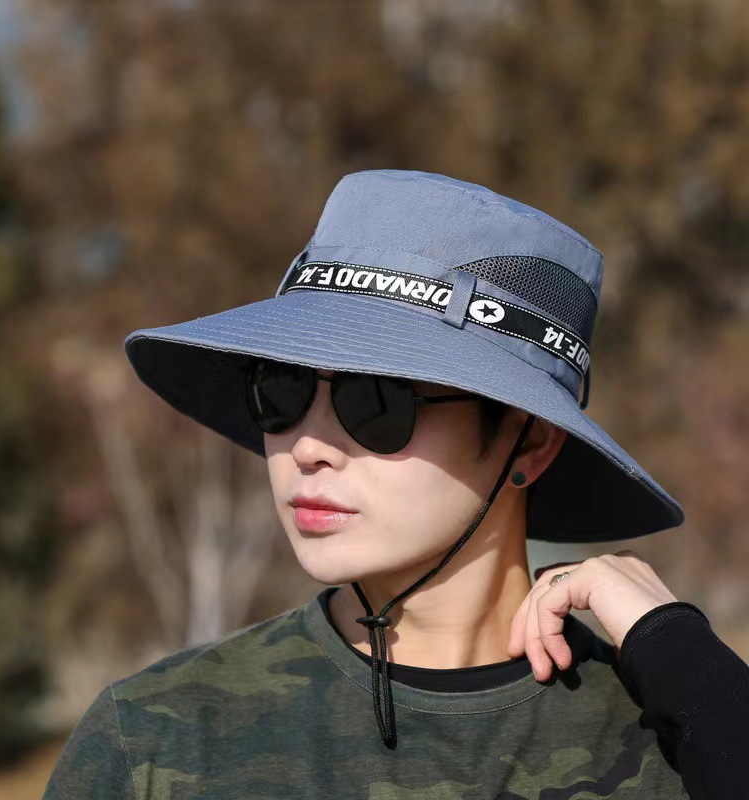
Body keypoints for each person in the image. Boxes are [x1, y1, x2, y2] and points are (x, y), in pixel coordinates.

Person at [43, 169, 749, 799]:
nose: (308, 447)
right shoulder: (154, 745)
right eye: (281, 389)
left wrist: (681, 656)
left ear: (529, 440)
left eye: (377, 402)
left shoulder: (671, 746)